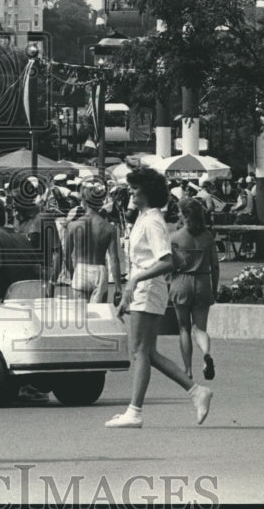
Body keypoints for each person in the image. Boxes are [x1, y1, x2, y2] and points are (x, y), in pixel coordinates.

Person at [106, 167, 213, 429]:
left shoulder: (153, 221)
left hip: (149, 287)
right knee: (147, 352)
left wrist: (135, 280)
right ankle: (196, 391)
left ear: (147, 192)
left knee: (140, 351)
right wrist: (128, 294)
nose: (130, 191)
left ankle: (135, 411)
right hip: (145, 287)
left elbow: (166, 260)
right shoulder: (145, 218)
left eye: (135, 187)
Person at [169, 198, 220, 381]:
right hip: (203, 281)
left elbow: (170, 265)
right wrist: (214, 288)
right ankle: (206, 354)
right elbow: (215, 266)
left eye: (180, 212)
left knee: (184, 328)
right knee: (199, 328)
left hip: (181, 283)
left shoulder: (175, 238)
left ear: (185, 215)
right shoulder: (207, 237)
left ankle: (188, 369)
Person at [65, 179, 122, 304]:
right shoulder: (109, 227)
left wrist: (73, 273)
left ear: (84, 202)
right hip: (100, 271)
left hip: (81, 269)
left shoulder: (74, 225)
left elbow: (66, 256)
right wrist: (118, 286)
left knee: (80, 316)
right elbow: (114, 259)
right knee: (99, 317)